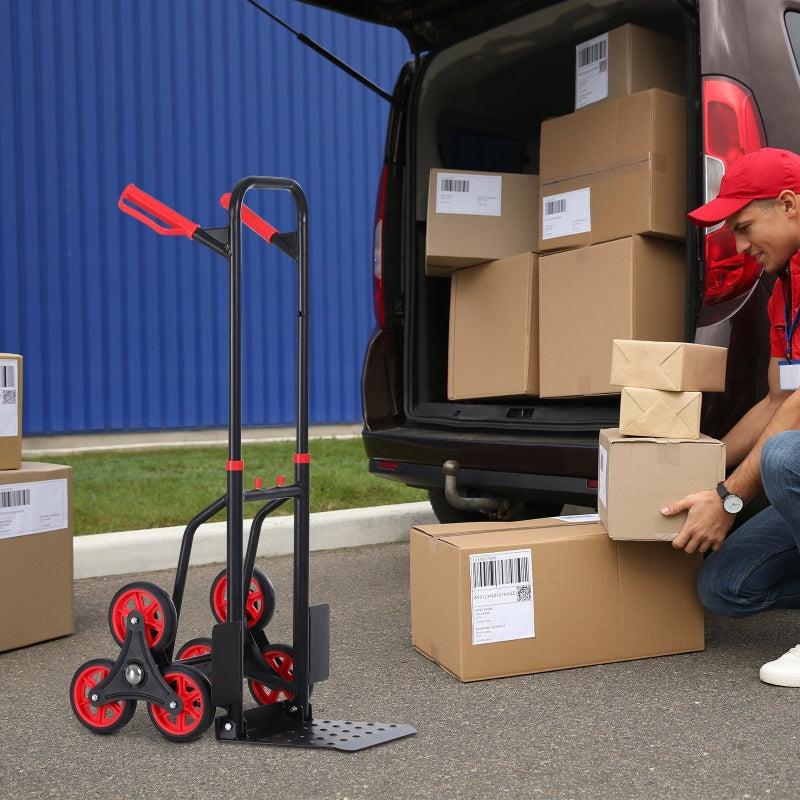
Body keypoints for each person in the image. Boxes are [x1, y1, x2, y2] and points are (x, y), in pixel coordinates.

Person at [661, 146, 800, 687]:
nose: (739, 246)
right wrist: (695, 469)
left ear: (788, 204)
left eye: (744, 227)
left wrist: (728, 498)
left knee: (786, 458)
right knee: (724, 585)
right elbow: (774, 399)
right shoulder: (783, 294)